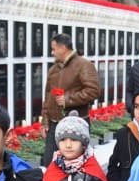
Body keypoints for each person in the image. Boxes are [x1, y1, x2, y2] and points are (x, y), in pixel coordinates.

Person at [40, 33, 101, 166]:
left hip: (75, 124)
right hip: (54, 124)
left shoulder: (83, 65)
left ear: (63, 48)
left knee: (75, 164)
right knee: (49, 164)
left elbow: (94, 90)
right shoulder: (54, 69)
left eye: (54, 49)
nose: (52, 52)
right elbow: (48, 96)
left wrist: (68, 100)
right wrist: (45, 121)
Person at [42, 111, 111, 181]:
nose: (68, 145)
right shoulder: (52, 170)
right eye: (63, 140)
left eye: (74, 140)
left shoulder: (93, 173)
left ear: (83, 144)